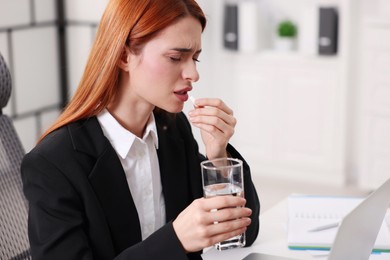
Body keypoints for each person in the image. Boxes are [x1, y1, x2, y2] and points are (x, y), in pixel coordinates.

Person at [21, 0, 260, 259]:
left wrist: (219, 158)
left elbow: (242, 233)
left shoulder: (172, 129)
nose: (193, 73)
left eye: (195, 58)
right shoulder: (53, 164)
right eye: (175, 57)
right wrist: (176, 239)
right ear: (124, 56)